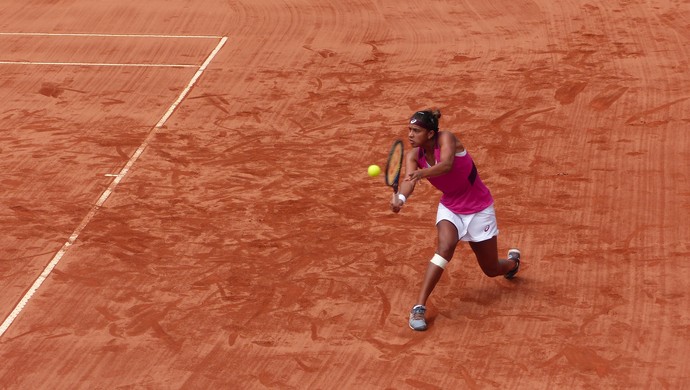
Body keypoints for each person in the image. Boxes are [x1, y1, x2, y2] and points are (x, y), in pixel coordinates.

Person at [390, 109, 520, 331]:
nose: (410, 135)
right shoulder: (414, 155)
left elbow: (447, 164)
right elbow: (409, 180)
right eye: (409, 130)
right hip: (451, 208)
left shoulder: (446, 138)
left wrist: (422, 174)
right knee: (445, 247)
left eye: (416, 131)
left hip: (480, 209)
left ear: (430, 134)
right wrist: (401, 198)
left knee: (490, 269)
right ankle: (419, 307)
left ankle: (512, 263)